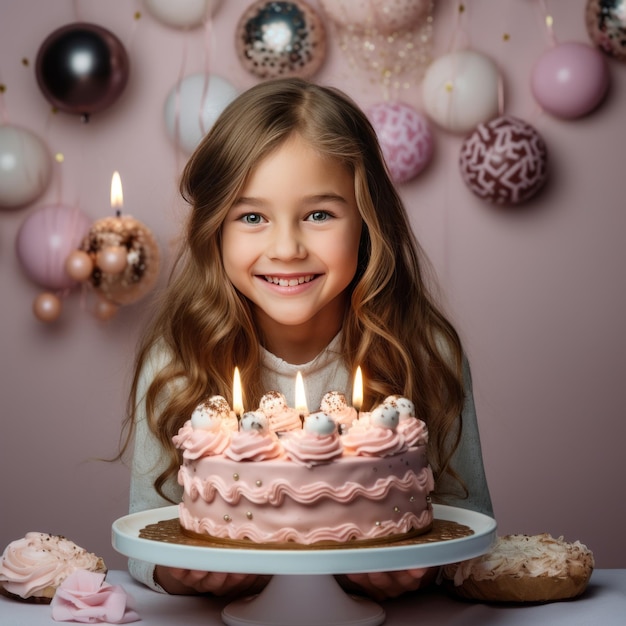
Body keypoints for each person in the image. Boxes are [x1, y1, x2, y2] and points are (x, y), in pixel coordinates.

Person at [122, 77, 493, 600]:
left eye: (319, 214)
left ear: (367, 220)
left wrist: (426, 568)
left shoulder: (426, 351)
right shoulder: (178, 358)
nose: (287, 248)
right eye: (252, 217)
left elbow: (468, 523)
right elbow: (145, 532)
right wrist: (172, 572)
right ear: (214, 230)